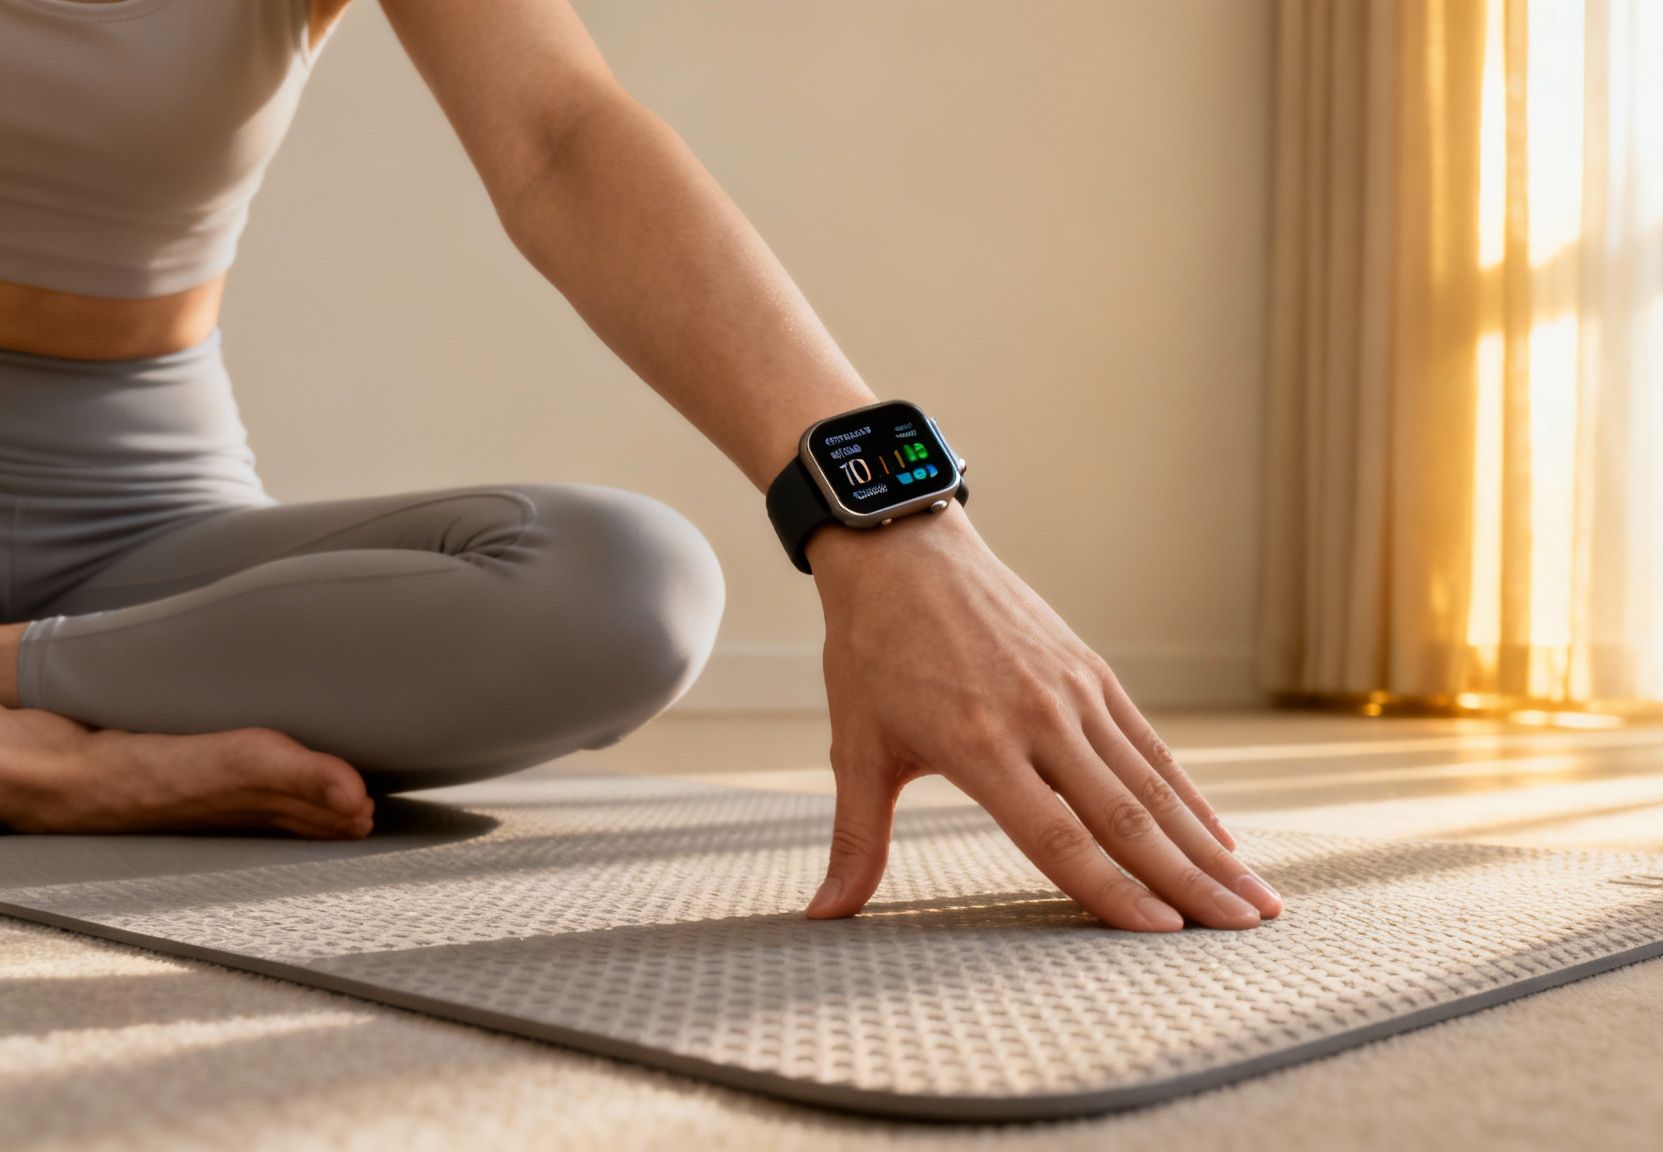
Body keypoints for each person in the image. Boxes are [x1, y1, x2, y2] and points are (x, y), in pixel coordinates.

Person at [0, 0, 1282, 934]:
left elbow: (561, 136)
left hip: (135, 518)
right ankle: (43, 762)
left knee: (625, 585)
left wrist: (893, 525)